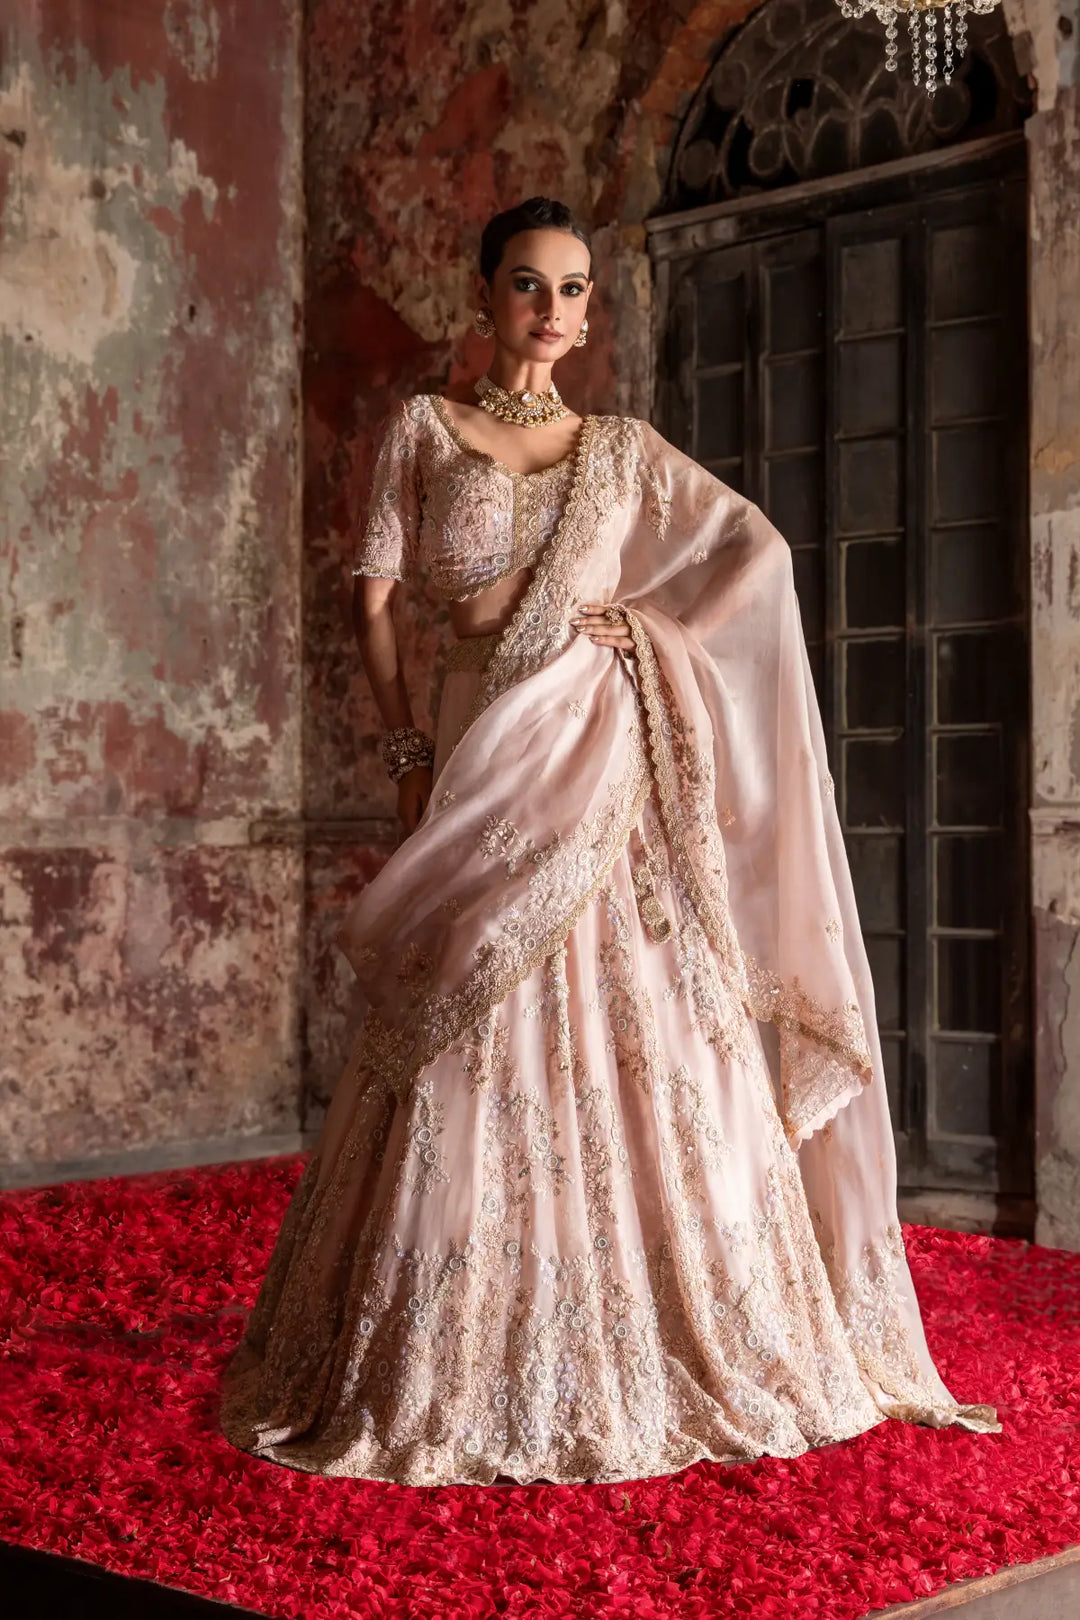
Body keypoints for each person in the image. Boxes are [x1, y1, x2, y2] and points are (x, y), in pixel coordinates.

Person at [219, 196, 1001, 1487]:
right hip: (475, 736)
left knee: (632, 1007)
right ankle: (452, 1315)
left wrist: (648, 635)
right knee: (464, 1002)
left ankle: (641, 1304)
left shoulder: (623, 452)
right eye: (528, 284)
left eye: (573, 290)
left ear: (588, 315)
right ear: (485, 297)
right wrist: (407, 753)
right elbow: (373, 604)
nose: (552, 310)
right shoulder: (427, 429)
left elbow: (756, 552)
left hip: (593, 743)